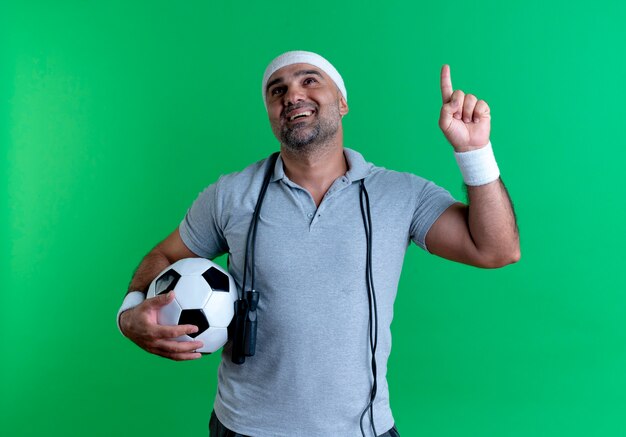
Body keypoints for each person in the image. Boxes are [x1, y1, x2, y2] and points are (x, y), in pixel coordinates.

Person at [117, 51, 520, 437]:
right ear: (272, 115)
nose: (292, 95)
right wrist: (130, 311)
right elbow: (165, 255)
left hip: (362, 430)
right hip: (244, 428)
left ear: (341, 102)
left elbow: (496, 249)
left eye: (309, 80)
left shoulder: (399, 194)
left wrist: (474, 151)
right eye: (277, 90)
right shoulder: (231, 195)